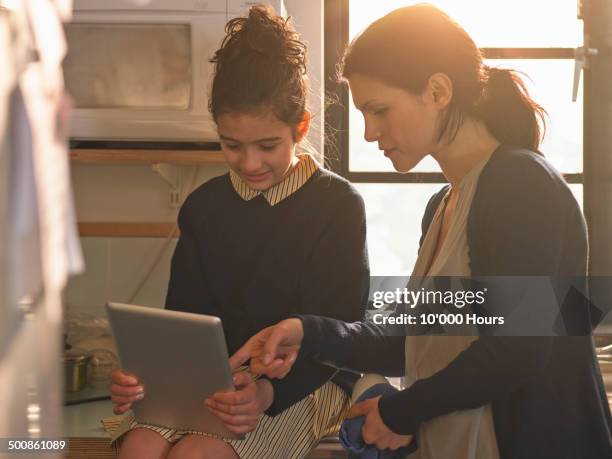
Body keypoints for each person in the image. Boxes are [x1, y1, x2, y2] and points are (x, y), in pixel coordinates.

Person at [231, 4, 612, 458]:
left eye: (380, 110)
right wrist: (307, 333)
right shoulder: (442, 206)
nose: (370, 133)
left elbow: (518, 349)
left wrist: (401, 412)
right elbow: (409, 341)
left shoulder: (519, 183)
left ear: (438, 90)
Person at [108, 6, 369, 459]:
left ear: (300, 127)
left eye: (267, 146)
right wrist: (146, 379)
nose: (249, 164)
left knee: (197, 453)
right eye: (231, 145)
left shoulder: (338, 205)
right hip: (214, 381)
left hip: (308, 382)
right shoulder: (204, 207)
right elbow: (183, 324)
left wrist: (265, 392)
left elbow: (339, 338)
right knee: (140, 446)